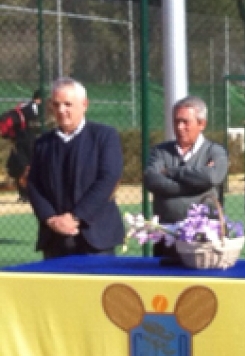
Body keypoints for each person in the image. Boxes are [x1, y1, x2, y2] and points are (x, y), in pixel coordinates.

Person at [27, 78, 124, 259]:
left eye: (68, 104)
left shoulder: (104, 136)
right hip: (54, 239)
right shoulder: (43, 143)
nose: (61, 110)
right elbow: (34, 185)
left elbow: (108, 178)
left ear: (84, 104)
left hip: (96, 240)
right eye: (56, 105)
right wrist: (51, 219)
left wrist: (75, 217)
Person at [144, 96, 229, 257]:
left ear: (201, 124)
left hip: (204, 242)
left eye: (185, 122)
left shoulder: (215, 151)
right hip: (166, 240)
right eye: (176, 121)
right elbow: (151, 179)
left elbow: (212, 178)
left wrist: (171, 172)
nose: (179, 127)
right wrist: (197, 183)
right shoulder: (160, 151)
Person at [1, 90, 43, 202]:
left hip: (21, 141)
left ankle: (25, 194)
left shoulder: (23, 107)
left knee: (21, 167)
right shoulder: (34, 108)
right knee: (24, 167)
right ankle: (26, 194)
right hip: (26, 141)